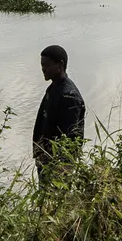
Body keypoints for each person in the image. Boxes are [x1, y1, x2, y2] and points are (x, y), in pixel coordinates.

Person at [32, 44, 86, 182]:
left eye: (47, 65)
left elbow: (71, 139)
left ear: (60, 65)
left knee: (57, 199)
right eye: (42, 65)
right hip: (46, 160)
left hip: (57, 167)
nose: (43, 69)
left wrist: (61, 168)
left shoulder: (69, 96)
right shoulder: (53, 89)